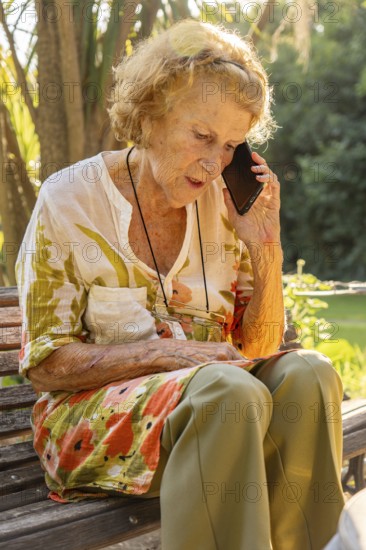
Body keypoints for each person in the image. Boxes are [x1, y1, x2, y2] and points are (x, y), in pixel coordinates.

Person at [16, 19, 344, 550]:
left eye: (232, 145)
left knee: (310, 374)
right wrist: (171, 355)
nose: (215, 163)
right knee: (226, 389)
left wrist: (265, 242)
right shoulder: (70, 200)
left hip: (214, 416)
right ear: (149, 117)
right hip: (90, 426)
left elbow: (259, 346)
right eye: (202, 136)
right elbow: (46, 363)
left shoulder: (223, 205)